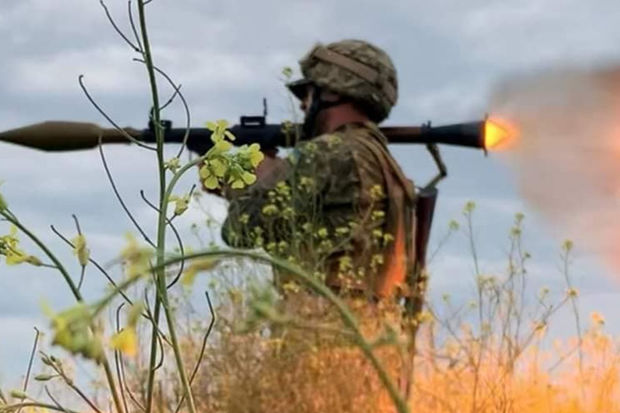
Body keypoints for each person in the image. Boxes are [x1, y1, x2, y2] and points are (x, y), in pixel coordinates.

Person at [220, 39, 417, 302]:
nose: (302, 106)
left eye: (309, 94)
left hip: (321, 321)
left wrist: (257, 179)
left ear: (334, 92)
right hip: (375, 326)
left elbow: (239, 231)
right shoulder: (382, 160)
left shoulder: (326, 153)